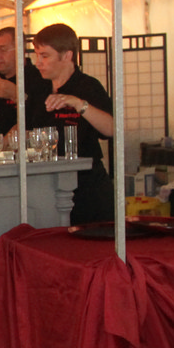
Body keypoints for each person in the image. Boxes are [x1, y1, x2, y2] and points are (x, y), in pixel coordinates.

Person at [27, 21, 116, 225]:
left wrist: (79, 104)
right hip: (47, 185)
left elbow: (112, 129)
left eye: (45, 56)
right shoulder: (39, 89)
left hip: (87, 188)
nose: (38, 62)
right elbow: (27, 130)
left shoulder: (88, 86)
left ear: (67, 55)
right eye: (36, 55)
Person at [0, 25, 40, 135]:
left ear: (20, 50)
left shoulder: (38, 79)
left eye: (3, 50)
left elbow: (40, 121)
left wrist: (16, 95)